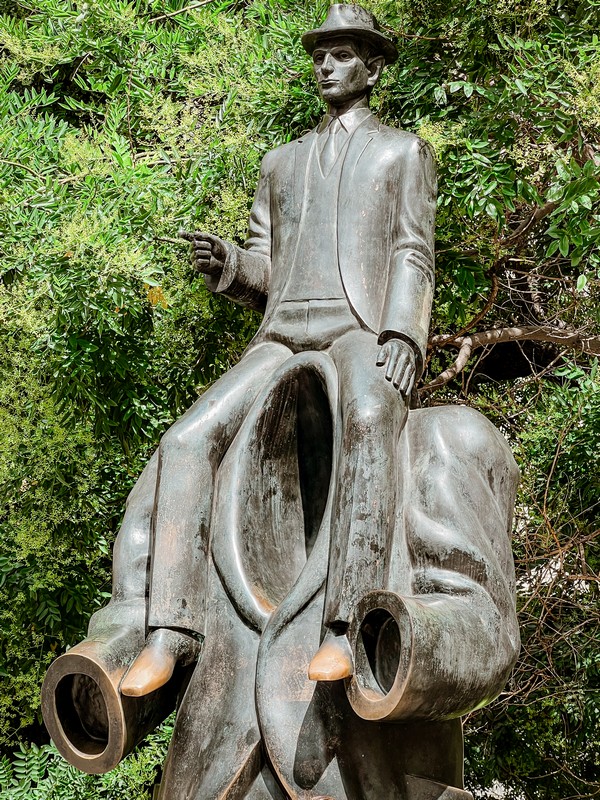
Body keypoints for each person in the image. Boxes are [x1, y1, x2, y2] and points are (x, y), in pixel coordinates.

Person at [117, 3, 438, 697]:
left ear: (374, 67)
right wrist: (231, 265)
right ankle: (168, 633)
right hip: (282, 333)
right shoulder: (280, 163)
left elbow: (413, 251)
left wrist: (404, 332)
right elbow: (266, 267)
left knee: (370, 421)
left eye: (343, 53)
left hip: (357, 331)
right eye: (320, 54)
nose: (326, 64)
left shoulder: (401, 152)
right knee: (186, 438)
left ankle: (348, 627)